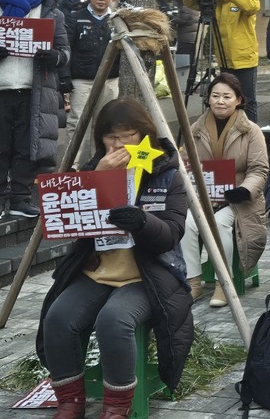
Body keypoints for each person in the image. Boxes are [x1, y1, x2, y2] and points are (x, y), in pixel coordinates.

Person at [36, 98, 193, 419]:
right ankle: (69, 401)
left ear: (143, 135)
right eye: (111, 136)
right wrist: (95, 179)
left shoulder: (165, 174)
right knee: (58, 316)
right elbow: (71, 224)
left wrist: (142, 221)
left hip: (147, 276)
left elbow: (171, 234)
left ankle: (117, 407)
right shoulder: (91, 169)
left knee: (114, 320)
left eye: (127, 135)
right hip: (98, 270)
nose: (118, 144)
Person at [180, 74, 268, 308]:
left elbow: (259, 169)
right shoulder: (195, 129)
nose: (220, 101)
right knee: (187, 222)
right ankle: (193, 282)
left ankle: (224, 282)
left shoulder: (251, 131)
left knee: (219, 223)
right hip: (206, 198)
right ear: (208, 99)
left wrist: (244, 190)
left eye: (227, 96)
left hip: (240, 202)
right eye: (215, 96)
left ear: (238, 100)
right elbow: (186, 163)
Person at [0, 0, 70, 217]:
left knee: (26, 146)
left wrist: (55, 57)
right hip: (2, 89)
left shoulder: (51, 12)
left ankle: (20, 197)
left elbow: (65, 51)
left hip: (34, 91)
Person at [183, 0, 260, 122]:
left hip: (245, 59)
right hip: (224, 58)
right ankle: (228, 130)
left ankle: (251, 133)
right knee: (227, 100)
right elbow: (191, 3)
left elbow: (251, 7)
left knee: (247, 100)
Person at [64, 0, 121, 164]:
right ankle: (72, 166)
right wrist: (65, 79)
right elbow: (67, 49)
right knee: (77, 123)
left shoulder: (118, 20)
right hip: (82, 81)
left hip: (110, 81)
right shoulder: (75, 18)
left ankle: (99, 164)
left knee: (105, 124)